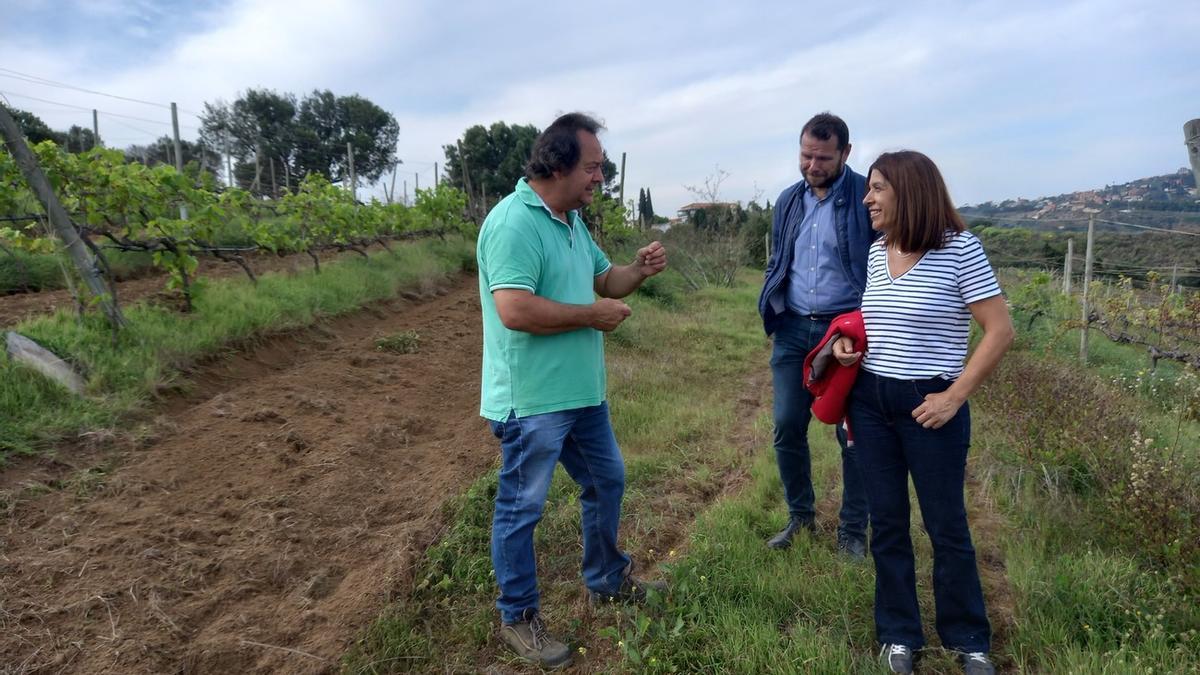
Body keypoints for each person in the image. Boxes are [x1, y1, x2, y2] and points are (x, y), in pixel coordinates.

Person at [476, 112, 668, 670]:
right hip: (531, 400)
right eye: (593, 167)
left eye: (602, 169)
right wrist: (591, 315)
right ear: (558, 164)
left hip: (581, 396)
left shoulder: (570, 222)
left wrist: (638, 269)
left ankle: (607, 578)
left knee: (607, 479)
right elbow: (514, 309)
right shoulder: (514, 222)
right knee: (521, 508)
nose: (599, 178)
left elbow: (605, 282)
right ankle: (518, 616)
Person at [834, 150, 1014, 675]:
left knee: (946, 525)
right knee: (887, 523)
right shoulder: (877, 251)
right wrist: (850, 351)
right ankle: (898, 635)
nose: (867, 198)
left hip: (930, 405)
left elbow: (999, 332)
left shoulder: (960, 250)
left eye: (877, 188)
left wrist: (955, 396)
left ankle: (968, 639)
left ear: (908, 191)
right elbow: (877, 326)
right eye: (868, 188)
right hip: (870, 402)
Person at [757, 112, 874, 557]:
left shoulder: (866, 196)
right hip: (792, 328)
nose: (812, 165)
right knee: (788, 425)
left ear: (845, 153)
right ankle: (800, 518)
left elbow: (879, 265)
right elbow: (778, 259)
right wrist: (770, 300)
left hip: (843, 333)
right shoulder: (788, 200)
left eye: (823, 157)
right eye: (806, 155)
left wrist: (861, 326)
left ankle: (852, 532)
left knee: (853, 434)